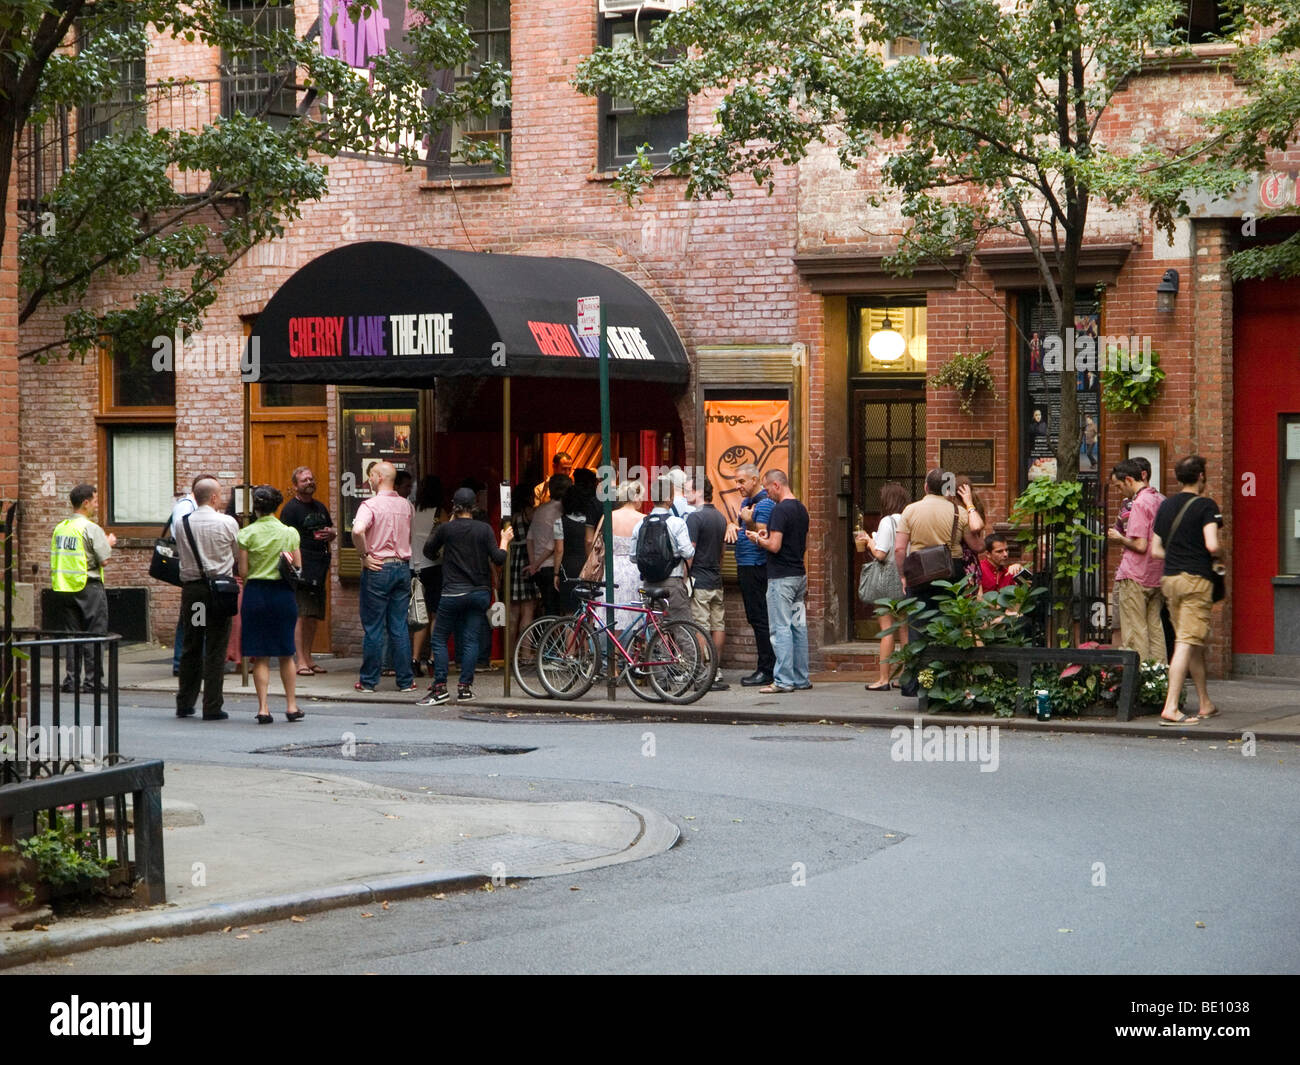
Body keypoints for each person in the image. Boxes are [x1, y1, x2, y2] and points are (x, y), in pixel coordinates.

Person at [894, 469, 987, 697]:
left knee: (917, 627)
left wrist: (903, 575)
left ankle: (916, 684)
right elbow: (977, 546)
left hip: (918, 573)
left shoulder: (911, 510)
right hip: (949, 572)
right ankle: (944, 682)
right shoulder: (959, 513)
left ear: (926, 487)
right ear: (948, 488)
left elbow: (898, 548)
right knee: (948, 626)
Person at [417, 487, 512, 705]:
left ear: (454, 506)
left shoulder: (446, 529)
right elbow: (498, 558)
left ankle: (440, 687)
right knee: (471, 640)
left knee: (440, 638)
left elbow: (428, 551)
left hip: (452, 592)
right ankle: (465, 688)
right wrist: (504, 540)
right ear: (475, 506)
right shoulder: (485, 529)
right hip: (479, 592)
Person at [1150, 455, 1224, 726]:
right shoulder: (1206, 506)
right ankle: (1171, 706)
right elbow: (1212, 545)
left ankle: (1205, 702)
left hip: (1170, 580)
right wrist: (1220, 553)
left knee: (1190, 640)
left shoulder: (1167, 505)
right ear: (1201, 476)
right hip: (1196, 581)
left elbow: (1156, 550)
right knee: (1185, 642)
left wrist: (1178, 553)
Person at [235, 485, 304, 724]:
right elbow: (296, 566)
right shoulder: (290, 533)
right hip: (282, 594)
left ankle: (263, 708)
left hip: (255, 594)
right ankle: (291, 706)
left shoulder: (246, 534)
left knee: (260, 654)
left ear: (256, 507)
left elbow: (243, 571)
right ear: (277, 507)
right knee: (286, 653)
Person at [175, 476, 239, 720]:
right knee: (216, 646)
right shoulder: (227, 522)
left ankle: (185, 702)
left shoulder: (183, 523)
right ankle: (212, 705)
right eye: (219, 494)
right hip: (220, 591)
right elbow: (235, 554)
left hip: (195, 593)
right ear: (213, 497)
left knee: (193, 644)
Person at [352, 460, 416, 694]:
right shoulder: (407, 506)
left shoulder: (369, 505)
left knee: (374, 627)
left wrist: (364, 554)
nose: (369, 480)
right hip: (402, 567)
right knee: (399, 626)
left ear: (378, 477)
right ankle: (406, 681)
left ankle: (368, 681)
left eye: (370, 476)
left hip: (378, 567)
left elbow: (358, 530)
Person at [746, 469, 809, 694]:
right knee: (798, 627)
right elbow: (793, 541)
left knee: (780, 628)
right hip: (799, 575)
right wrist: (767, 537)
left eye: (767, 487)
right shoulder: (801, 509)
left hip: (781, 578)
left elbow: (775, 546)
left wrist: (757, 539)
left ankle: (782, 680)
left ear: (776, 485)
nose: (766, 493)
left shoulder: (779, 510)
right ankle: (801, 678)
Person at [49, 484, 115, 693]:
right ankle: (92, 682)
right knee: (94, 635)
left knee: (72, 637)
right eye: (95, 501)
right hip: (89, 586)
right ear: (85, 503)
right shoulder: (91, 528)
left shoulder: (61, 527)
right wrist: (108, 542)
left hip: (63, 588)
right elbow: (104, 560)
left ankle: (70, 681)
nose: (97, 505)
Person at [1107, 459, 1166, 664]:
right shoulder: (1159, 499)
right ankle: (1159, 679)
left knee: (1134, 632)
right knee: (1155, 629)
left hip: (1135, 574)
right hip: (1156, 574)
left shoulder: (1139, 503)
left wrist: (1119, 538)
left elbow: (1140, 545)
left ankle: (1138, 680)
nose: (1119, 491)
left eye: (1119, 486)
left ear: (1129, 479)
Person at [280, 466, 337, 677]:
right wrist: (293, 568)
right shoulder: (290, 510)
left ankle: (309, 657)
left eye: (311, 479)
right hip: (300, 568)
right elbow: (285, 541)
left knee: (313, 615)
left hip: (319, 567)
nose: (309, 482)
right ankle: (300, 660)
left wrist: (332, 534)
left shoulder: (320, 507)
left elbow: (330, 531)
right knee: (301, 614)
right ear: (295, 485)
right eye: (304, 480)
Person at [725, 462, 776, 686]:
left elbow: (763, 536)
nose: (738, 486)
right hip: (746, 564)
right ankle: (765, 667)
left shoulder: (763, 505)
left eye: (742, 481)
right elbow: (745, 530)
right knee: (755, 617)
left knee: (760, 618)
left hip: (756, 566)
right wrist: (731, 525)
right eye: (736, 481)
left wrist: (749, 522)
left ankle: (766, 669)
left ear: (755, 480)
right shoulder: (747, 503)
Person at [857, 481, 909, 692]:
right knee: (905, 629)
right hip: (905, 578)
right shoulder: (907, 519)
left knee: (887, 629)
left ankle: (883, 678)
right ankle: (905, 675)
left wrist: (869, 540)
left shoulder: (888, 521)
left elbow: (880, 554)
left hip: (887, 580)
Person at [631, 474, 695, 623]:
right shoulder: (677, 523)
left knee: (655, 630)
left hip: (648, 584)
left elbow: (633, 557)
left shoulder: (641, 524)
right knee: (683, 630)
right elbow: (688, 552)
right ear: (669, 499)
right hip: (672, 583)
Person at [685, 478, 729, 689]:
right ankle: (716, 670)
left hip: (699, 580)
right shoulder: (720, 517)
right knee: (718, 625)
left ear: (699, 492)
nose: (685, 495)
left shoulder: (695, 518)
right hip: (716, 579)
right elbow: (721, 552)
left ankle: (703, 671)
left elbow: (690, 553)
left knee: (701, 627)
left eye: (688, 491)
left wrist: (684, 577)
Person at [409, 475, 446, 676]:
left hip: (413, 566)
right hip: (434, 566)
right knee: (435, 614)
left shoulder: (413, 511)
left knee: (418, 613)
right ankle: (433, 657)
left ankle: (414, 658)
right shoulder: (441, 513)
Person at [526, 473, 571, 616]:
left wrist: (534, 563)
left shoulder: (540, 510)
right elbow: (554, 545)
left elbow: (529, 538)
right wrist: (536, 564)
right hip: (553, 567)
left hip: (540, 570)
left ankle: (549, 638)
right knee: (559, 611)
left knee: (549, 611)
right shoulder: (561, 512)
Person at [169, 478, 200, 677]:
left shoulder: (190, 506)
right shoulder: (186, 507)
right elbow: (182, 536)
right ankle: (185, 662)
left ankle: (183, 661)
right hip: (193, 574)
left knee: (190, 618)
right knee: (196, 618)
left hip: (191, 572)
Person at [553, 483, 596, 613]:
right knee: (589, 611)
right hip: (588, 568)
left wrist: (555, 573)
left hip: (568, 569)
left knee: (569, 612)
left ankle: (570, 634)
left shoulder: (560, 521)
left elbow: (559, 549)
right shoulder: (591, 522)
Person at [610, 480, 647, 631]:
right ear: (636, 497)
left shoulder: (610, 516)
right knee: (636, 614)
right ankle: (632, 652)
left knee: (614, 614)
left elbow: (595, 543)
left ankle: (615, 652)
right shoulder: (643, 519)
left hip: (613, 570)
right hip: (635, 571)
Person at [507, 481, 539, 639]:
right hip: (527, 557)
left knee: (513, 612)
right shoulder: (528, 512)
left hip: (512, 561)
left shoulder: (510, 515)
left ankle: (511, 652)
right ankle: (526, 653)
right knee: (528, 610)